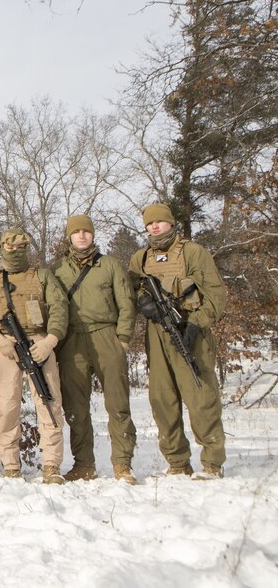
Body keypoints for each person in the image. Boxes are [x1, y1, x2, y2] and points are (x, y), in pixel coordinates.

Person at [128, 203, 227, 479]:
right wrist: (142, 303)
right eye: (150, 223)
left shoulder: (193, 252)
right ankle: (177, 462)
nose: (155, 226)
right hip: (157, 335)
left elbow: (216, 295)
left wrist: (197, 323)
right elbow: (131, 291)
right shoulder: (140, 258)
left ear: (171, 223)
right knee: (163, 399)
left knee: (201, 395)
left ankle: (212, 463)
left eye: (160, 221)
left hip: (191, 328)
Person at [0, 230, 68, 484]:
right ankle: (11, 464)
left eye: (20, 247)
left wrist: (50, 340)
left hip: (39, 343)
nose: (15, 251)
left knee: (49, 403)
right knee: (6, 407)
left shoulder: (43, 276)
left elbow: (59, 308)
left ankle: (51, 463)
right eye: (9, 247)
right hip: (7, 347)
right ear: (2, 247)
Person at [52, 215, 138, 484]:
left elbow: (126, 302)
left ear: (92, 235)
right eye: (76, 232)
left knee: (118, 403)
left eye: (86, 232)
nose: (81, 236)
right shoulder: (58, 270)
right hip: (72, 341)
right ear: (69, 237)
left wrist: (122, 338)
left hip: (105, 335)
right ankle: (83, 465)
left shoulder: (110, 265)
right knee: (75, 407)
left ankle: (122, 464)